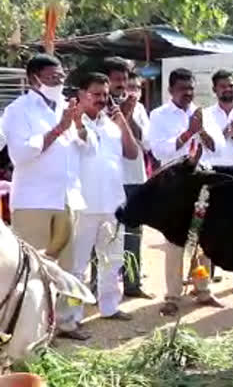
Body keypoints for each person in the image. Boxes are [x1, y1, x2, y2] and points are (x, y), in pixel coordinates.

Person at [2, 54, 95, 340]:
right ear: (34, 79)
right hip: (34, 201)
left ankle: (67, 322)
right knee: (32, 269)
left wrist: (77, 125)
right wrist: (59, 129)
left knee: (70, 267)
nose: (59, 80)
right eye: (53, 76)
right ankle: (33, 331)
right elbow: (20, 154)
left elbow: (86, 147)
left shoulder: (65, 108)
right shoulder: (18, 110)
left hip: (67, 198)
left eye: (61, 75)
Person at [148, 68, 226, 316]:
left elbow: (219, 148)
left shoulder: (203, 114)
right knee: (174, 242)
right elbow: (159, 151)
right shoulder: (159, 115)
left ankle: (203, 289)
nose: (188, 94)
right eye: (183, 89)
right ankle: (172, 296)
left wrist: (201, 130)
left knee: (202, 240)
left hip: (202, 184)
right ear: (171, 90)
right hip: (174, 186)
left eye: (191, 88)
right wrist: (187, 133)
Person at [69, 72, 139, 331]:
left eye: (105, 95)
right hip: (83, 205)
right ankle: (72, 316)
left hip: (112, 204)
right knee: (78, 265)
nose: (101, 99)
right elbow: (82, 144)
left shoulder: (111, 124)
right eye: (95, 94)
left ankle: (109, 307)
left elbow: (132, 154)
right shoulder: (71, 123)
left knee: (113, 260)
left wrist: (123, 122)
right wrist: (77, 123)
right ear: (81, 95)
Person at [102, 58, 154, 299]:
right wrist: (118, 117)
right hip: (107, 180)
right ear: (106, 81)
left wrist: (129, 117)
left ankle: (133, 284)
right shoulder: (97, 107)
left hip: (134, 179)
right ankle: (98, 287)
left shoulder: (139, 108)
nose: (121, 84)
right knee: (104, 234)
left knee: (133, 233)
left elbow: (147, 143)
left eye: (124, 80)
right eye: (116, 80)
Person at [204, 69, 233, 291]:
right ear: (215, 90)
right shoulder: (205, 115)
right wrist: (223, 135)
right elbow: (206, 148)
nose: (228, 89)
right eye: (223, 86)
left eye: (231, 85)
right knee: (211, 226)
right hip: (214, 174)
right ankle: (207, 277)